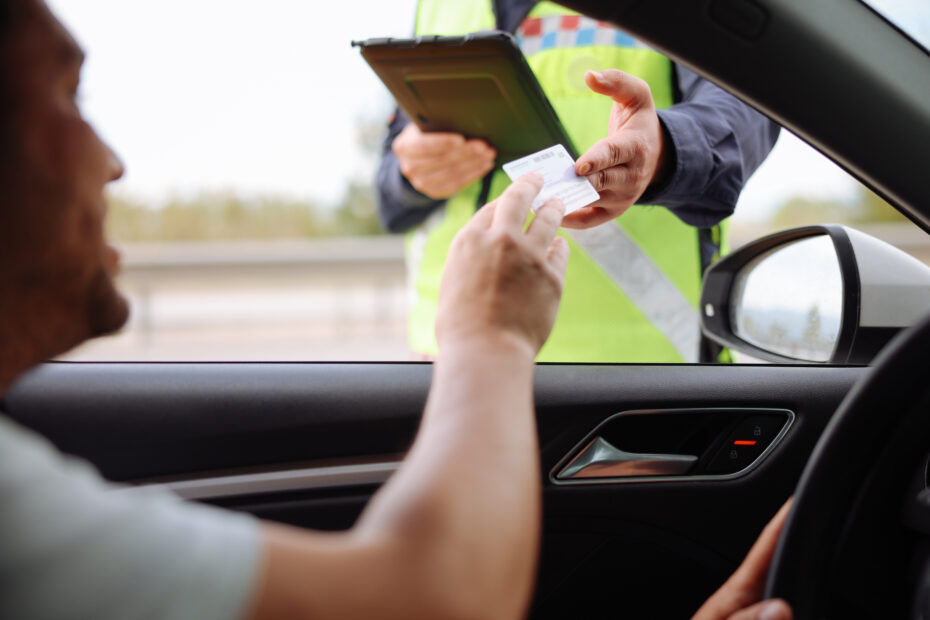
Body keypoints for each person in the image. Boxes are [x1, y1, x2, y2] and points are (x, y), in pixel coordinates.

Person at [0, 0, 791, 618]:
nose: (113, 162)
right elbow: (390, 182)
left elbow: (747, 113)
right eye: (69, 97)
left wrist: (664, 148)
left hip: (638, 398)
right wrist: (416, 179)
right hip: (452, 383)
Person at [377, 0, 781, 364]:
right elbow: (388, 196)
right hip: (448, 365)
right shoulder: (435, 6)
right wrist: (410, 173)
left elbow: (746, 107)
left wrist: (665, 150)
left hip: (634, 379)